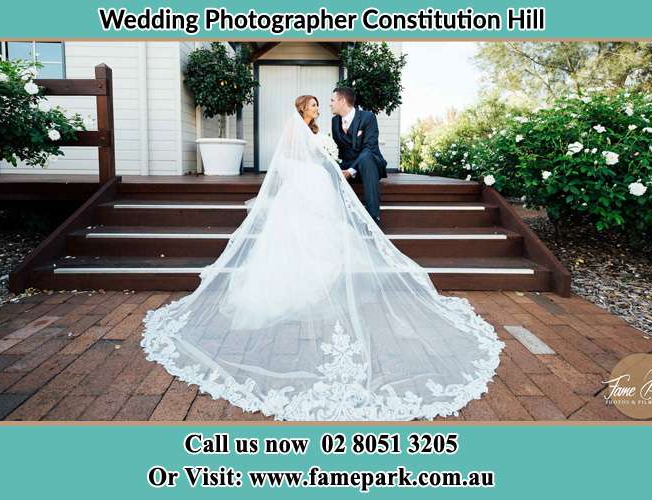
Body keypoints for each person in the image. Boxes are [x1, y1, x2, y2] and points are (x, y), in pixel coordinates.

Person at [140, 94, 504, 421]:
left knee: (326, 227)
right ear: (303, 109)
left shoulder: (324, 128)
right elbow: (285, 164)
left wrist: (330, 163)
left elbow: (335, 153)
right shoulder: (298, 130)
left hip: (322, 179)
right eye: (314, 104)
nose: (320, 108)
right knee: (300, 232)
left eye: (322, 103)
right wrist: (318, 168)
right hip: (304, 184)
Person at [330, 87, 387, 224]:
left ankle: (373, 217)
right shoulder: (334, 121)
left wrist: (350, 171)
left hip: (370, 165)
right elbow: (339, 150)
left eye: (332, 100)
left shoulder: (368, 117)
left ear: (342, 101)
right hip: (347, 165)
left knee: (366, 156)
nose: (330, 104)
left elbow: (369, 148)